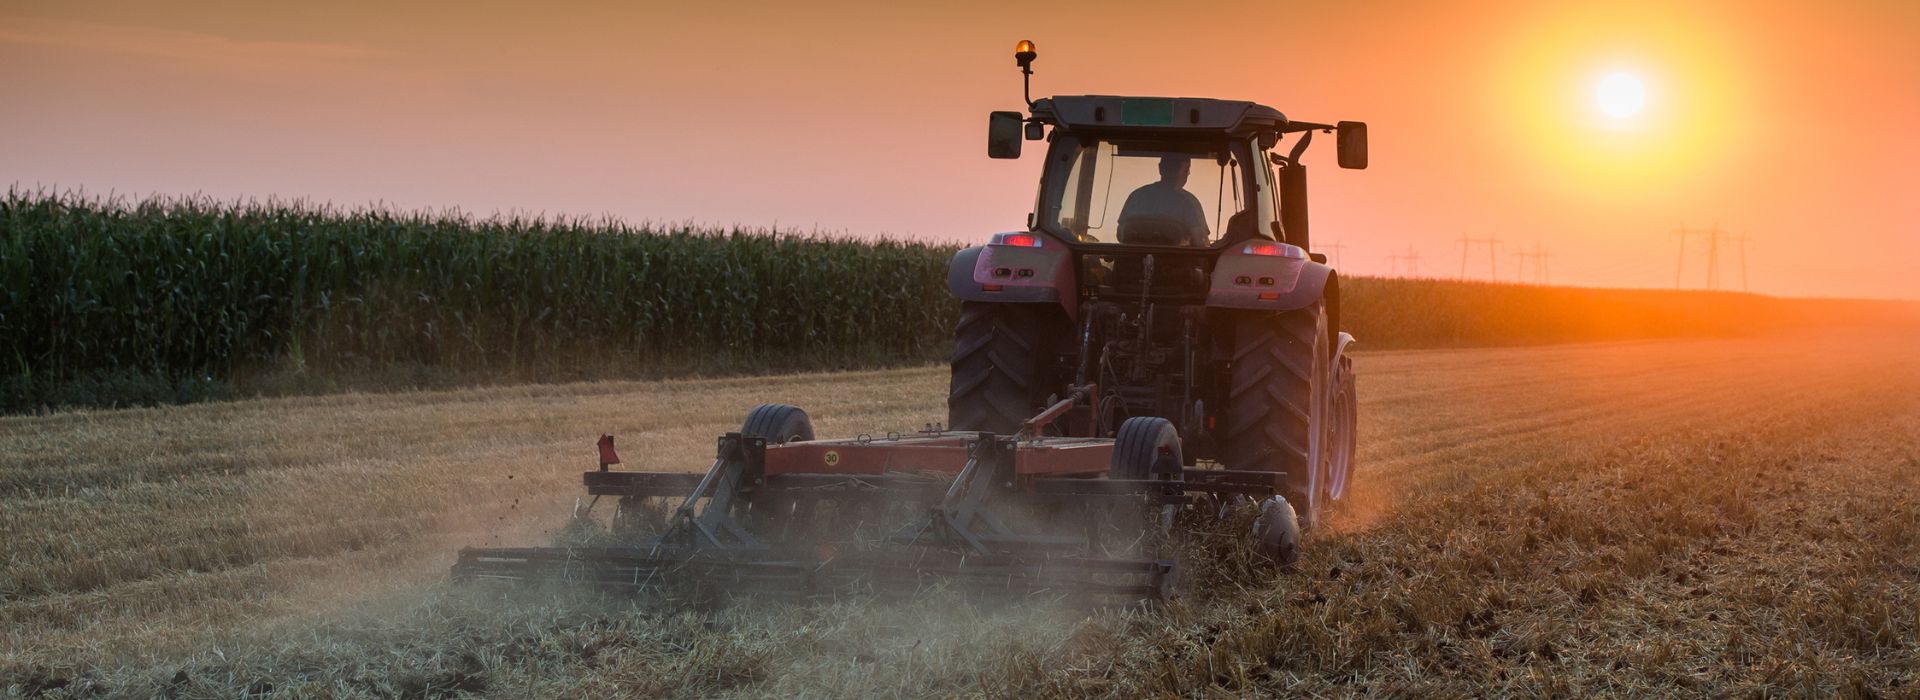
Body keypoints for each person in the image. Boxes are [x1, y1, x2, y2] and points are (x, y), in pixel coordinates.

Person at [1117, 156, 1210, 246]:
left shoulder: (1136, 196)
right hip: (1175, 261)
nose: (1188, 173)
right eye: (1187, 170)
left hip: (1134, 259)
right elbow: (1200, 241)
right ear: (1185, 171)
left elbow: (1120, 234)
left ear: (1160, 168)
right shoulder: (1189, 202)